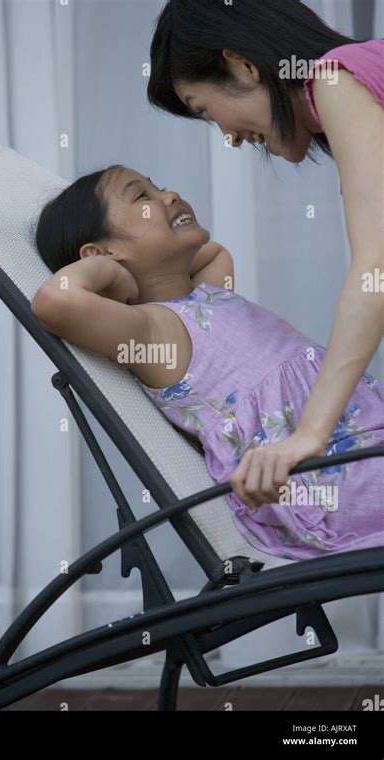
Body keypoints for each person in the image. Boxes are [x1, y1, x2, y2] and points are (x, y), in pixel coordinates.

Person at [31, 165, 384, 560]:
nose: (169, 196)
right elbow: (54, 301)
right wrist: (104, 267)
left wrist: (158, 240)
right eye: (142, 197)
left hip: (357, 443)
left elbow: (214, 251)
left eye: (160, 185)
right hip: (327, 479)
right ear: (103, 251)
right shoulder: (154, 330)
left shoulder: (206, 296)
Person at [147, 0, 384, 508]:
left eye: (205, 110)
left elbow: (375, 271)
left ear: (243, 66)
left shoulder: (338, 82)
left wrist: (309, 435)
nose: (229, 137)